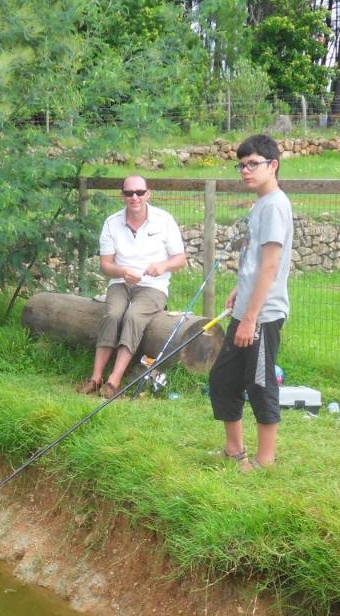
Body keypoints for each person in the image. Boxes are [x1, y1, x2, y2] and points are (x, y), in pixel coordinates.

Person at [208, 134, 293, 470]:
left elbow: (271, 265)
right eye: (241, 165)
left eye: (253, 164)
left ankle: (265, 461)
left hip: (262, 315)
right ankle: (234, 451)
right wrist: (238, 291)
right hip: (246, 307)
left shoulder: (274, 205)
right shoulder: (260, 203)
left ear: (272, 165)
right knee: (222, 379)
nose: (245, 171)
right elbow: (254, 263)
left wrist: (251, 317)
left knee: (259, 384)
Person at [78, 175, 187, 399]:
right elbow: (105, 264)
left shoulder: (164, 220)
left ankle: (113, 381)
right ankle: (95, 377)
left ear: (148, 194)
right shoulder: (111, 222)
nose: (134, 197)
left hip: (153, 286)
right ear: (122, 196)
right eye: (129, 193)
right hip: (120, 282)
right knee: (113, 314)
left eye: (139, 192)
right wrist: (122, 272)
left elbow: (181, 260)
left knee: (133, 316)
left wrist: (162, 266)